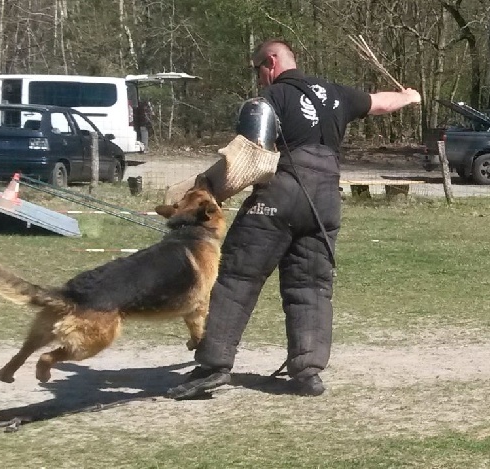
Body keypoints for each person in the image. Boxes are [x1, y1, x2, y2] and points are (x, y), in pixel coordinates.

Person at [167, 39, 421, 399]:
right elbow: (381, 102)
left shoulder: (270, 100)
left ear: (271, 62)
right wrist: (409, 97)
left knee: (237, 277)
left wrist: (201, 189)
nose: (258, 79)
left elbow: (246, 161)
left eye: (258, 70)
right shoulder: (336, 94)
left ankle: (212, 366)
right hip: (325, 202)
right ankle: (308, 373)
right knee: (312, 286)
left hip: (280, 196)